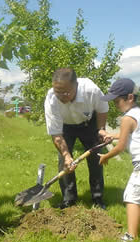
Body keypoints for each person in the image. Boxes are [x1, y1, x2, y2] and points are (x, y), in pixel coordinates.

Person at [98, 78, 140, 242]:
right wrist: (111, 136)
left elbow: (120, 147)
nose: (115, 105)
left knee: (131, 196)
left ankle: (131, 236)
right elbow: (127, 135)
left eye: (117, 101)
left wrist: (106, 156)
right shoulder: (138, 113)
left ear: (129, 97)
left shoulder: (127, 118)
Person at [44, 68, 109, 210]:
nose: (61, 96)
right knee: (64, 161)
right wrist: (67, 155)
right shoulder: (51, 99)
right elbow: (56, 134)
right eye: (58, 92)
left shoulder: (91, 90)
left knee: (96, 159)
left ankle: (97, 198)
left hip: (88, 123)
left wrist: (101, 129)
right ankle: (69, 199)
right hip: (65, 126)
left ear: (76, 85)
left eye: (66, 92)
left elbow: (102, 109)